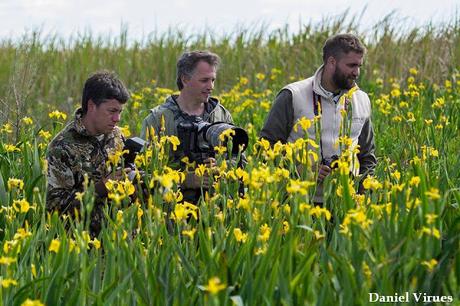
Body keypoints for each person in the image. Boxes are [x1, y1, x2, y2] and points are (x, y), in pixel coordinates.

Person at [260, 33, 377, 203]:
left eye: (359, 66)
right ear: (331, 62)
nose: (356, 72)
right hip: (298, 203)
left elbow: (367, 156)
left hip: (346, 204)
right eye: (351, 65)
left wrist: (364, 194)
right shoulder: (293, 95)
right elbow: (266, 147)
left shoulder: (362, 100)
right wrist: (302, 171)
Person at [141, 50, 239, 204]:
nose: (210, 86)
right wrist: (185, 180)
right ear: (185, 79)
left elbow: (240, 160)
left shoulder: (221, 116)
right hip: (171, 213)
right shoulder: (158, 119)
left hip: (217, 207)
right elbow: (145, 175)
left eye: (213, 80)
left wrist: (221, 166)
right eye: (204, 80)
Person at [46, 71, 132, 235]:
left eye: (120, 111)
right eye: (112, 111)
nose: (117, 118)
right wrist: (99, 189)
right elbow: (55, 210)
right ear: (92, 106)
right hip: (81, 245)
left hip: (119, 240)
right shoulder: (62, 147)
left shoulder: (117, 136)